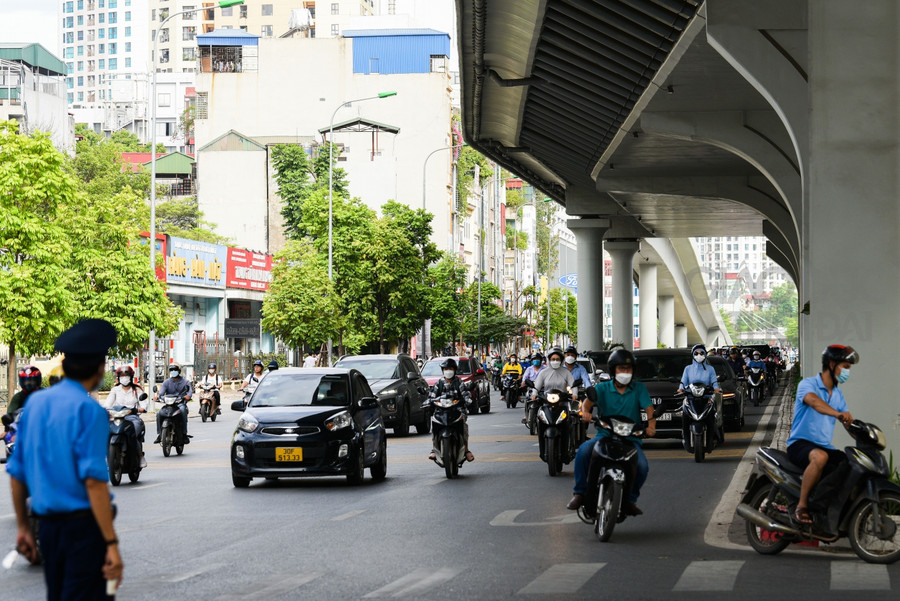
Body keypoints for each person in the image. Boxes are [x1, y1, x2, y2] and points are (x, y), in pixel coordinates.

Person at [7, 318, 124, 599]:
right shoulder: (90, 411)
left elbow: (17, 471)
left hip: (47, 530)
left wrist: (23, 526)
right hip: (83, 531)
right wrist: (111, 543)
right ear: (99, 368)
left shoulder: (35, 403)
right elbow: (94, 483)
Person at [568, 348, 653, 515]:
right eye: (621, 368)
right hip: (605, 435)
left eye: (628, 369)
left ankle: (630, 500)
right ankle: (579, 493)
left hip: (631, 439)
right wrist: (586, 412)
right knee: (584, 451)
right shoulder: (602, 388)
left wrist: (651, 426)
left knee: (642, 467)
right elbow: (588, 403)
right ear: (614, 369)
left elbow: (649, 409)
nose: (625, 372)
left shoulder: (639, 388)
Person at [785, 344, 857, 524]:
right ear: (832, 365)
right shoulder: (808, 384)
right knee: (820, 457)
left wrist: (861, 433)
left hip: (823, 446)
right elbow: (814, 402)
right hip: (800, 444)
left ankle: (826, 507)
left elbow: (848, 421)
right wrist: (837, 413)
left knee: (851, 463)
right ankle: (802, 507)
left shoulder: (838, 394)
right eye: (845, 367)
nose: (847, 372)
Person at [427, 358, 475, 462]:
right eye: (446, 369)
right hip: (441, 412)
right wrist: (428, 402)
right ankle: (434, 449)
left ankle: (466, 450)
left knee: (464, 427)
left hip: (458, 411)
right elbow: (432, 396)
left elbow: (466, 394)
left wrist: (468, 400)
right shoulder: (439, 383)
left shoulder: (459, 383)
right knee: (434, 425)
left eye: (450, 368)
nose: (448, 371)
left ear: (454, 370)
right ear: (443, 370)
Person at [103, 365, 148, 469]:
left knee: (133, 433)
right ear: (118, 378)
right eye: (122, 376)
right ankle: (107, 457)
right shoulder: (115, 390)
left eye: (126, 375)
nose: (124, 378)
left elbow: (144, 404)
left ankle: (140, 456)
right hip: (117, 418)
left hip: (133, 418)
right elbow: (107, 403)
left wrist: (141, 408)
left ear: (131, 377)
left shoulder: (137, 390)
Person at [530, 348, 576, 428]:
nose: (555, 361)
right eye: (553, 359)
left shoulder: (566, 372)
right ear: (549, 360)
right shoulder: (544, 372)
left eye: (557, 359)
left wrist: (575, 394)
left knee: (572, 417)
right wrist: (534, 394)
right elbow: (537, 385)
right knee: (539, 414)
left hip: (562, 400)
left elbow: (573, 385)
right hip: (546, 400)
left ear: (561, 360)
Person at [153, 364, 192, 444]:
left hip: (179, 403)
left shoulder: (185, 382)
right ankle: (160, 434)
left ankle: (184, 434)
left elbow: (189, 392)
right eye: (172, 370)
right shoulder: (166, 382)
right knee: (159, 413)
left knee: (183, 410)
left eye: (175, 370)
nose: (173, 372)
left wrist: (188, 396)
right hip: (168, 404)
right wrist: (157, 397)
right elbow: (161, 393)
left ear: (179, 371)